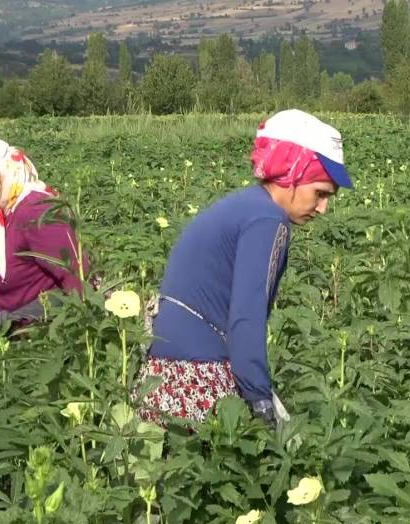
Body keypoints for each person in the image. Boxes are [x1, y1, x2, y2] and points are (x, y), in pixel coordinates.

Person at [134, 109, 352, 429]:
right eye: (319, 193)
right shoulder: (268, 220)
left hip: (161, 378)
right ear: (291, 174)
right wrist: (260, 401)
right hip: (199, 379)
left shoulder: (244, 205)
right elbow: (246, 317)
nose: (323, 208)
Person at [0, 137, 90, 333]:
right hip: (17, 327)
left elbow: (77, 277)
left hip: (42, 335)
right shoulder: (10, 209)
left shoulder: (35, 211)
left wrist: (84, 333)